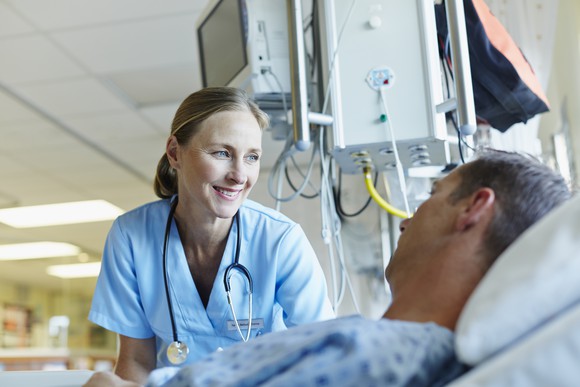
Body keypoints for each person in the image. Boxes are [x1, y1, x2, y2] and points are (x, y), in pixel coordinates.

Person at [84, 149, 571, 387]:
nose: (407, 220)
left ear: (474, 209)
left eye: (430, 197)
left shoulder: (374, 353)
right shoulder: (397, 349)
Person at [88, 87, 335, 384]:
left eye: (252, 157)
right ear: (174, 153)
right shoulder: (131, 236)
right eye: (222, 153)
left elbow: (324, 355)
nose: (239, 175)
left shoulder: (280, 240)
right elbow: (136, 361)